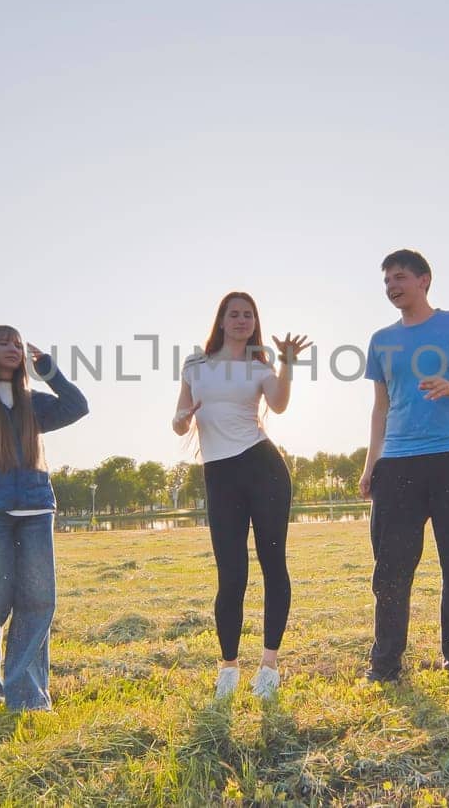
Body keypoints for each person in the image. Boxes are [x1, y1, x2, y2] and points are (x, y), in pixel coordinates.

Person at [358, 249, 449, 684]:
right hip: (398, 463)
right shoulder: (381, 340)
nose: (392, 287)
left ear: (424, 280)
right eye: (386, 281)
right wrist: (370, 464)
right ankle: (385, 665)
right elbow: (380, 409)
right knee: (391, 568)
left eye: (399, 277)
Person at [172, 292, 308, 700]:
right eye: (235, 314)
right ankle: (228, 668)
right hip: (219, 474)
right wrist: (181, 419)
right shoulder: (195, 364)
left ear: (255, 322)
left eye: (248, 315)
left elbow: (279, 405)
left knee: (272, 564)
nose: (242, 320)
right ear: (222, 319)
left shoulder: (259, 365)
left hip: (262, 468)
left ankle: (268, 665)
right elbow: (180, 422)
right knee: (231, 575)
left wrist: (286, 362)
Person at [0, 325, 88, 711]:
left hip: (35, 510)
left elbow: (77, 405)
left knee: (38, 600)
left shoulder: (34, 403)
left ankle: (26, 697)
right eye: (3, 342)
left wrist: (48, 369)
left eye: (18, 343)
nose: (13, 348)